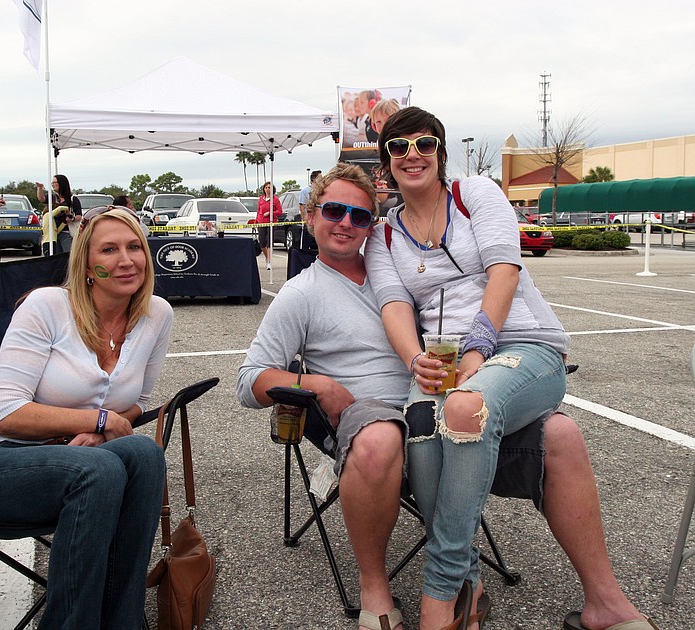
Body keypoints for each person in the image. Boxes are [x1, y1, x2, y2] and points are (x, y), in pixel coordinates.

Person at [238, 163, 654, 630]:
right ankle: (377, 589)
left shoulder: (401, 271)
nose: (346, 224)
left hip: (449, 413)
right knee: (382, 437)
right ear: (310, 214)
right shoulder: (300, 294)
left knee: (560, 432)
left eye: (360, 216)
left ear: (372, 225)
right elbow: (249, 380)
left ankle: (605, 601)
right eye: (334, 210)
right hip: (374, 424)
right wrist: (319, 385)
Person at [363, 106, 649, 630]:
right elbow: (394, 306)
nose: (412, 155)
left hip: (522, 344)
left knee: (465, 409)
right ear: (385, 163)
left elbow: (504, 270)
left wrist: (479, 345)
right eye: (398, 147)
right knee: (424, 425)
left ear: (441, 154)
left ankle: (440, 593)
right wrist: (414, 360)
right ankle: (469, 591)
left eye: (424, 144)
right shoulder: (384, 235)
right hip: (445, 359)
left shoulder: (475, 195)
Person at [0, 208, 172, 629]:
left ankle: (124, 622)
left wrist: (100, 434)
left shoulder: (156, 314)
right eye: (109, 249)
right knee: (101, 470)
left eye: (134, 247)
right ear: (88, 266)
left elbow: (139, 404)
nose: (126, 260)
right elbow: (7, 415)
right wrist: (96, 422)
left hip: (78, 460)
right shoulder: (47, 306)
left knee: (145, 454)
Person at [36, 174, 81, 254]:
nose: (52, 184)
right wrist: (40, 188)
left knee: (68, 255)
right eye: (52, 182)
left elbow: (79, 216)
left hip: (66, 232)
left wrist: (71, 218)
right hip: (53, 233)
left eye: (54, 182)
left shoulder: (72, 199)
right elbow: (41, 198)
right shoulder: (52, 197)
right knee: (56, 257)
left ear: (61, 183)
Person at [256, 181, 282, 270]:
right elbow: (258, 210)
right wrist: (256, 221)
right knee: (262, 242)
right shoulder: (261, 199)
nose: (267, 189)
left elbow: (279, 211)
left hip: (271, 222)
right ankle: (267, 257)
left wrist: (270, 213)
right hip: (261, 222)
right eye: (266, 187)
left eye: (269, 187)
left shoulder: (275, 199)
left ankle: (269, 261)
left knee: (269, 242)